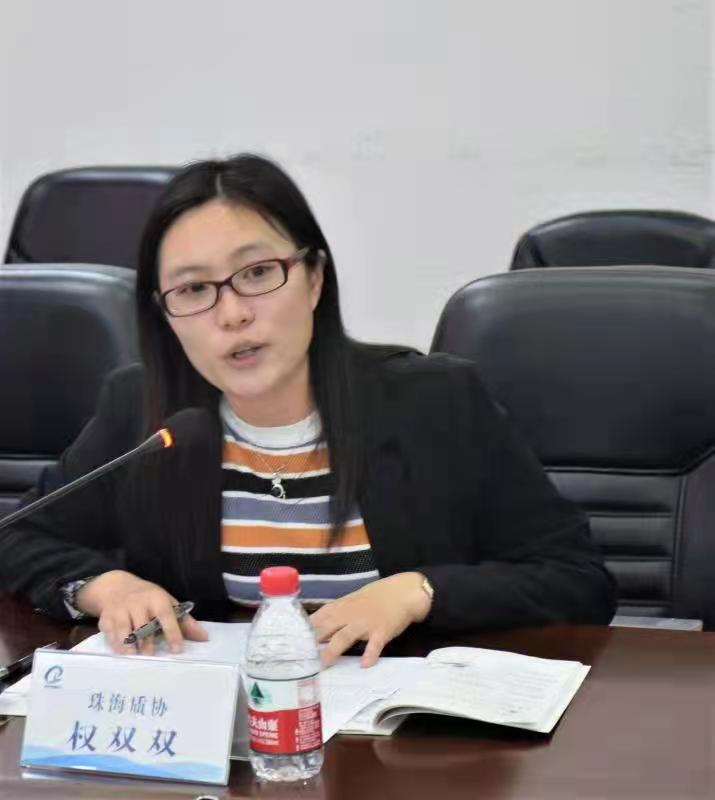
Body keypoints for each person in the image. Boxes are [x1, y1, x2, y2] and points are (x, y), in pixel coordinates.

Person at [0, 154, 616, 667]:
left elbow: (577, 578)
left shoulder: (437, 402)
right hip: (226, 740)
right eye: (194, 289)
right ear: (165, 315)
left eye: (257, 273)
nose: (233, 313)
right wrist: (104, 587)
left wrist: (419, 591)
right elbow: (21, 535)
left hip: (402, 745)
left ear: (315, 278)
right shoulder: (144, 412)